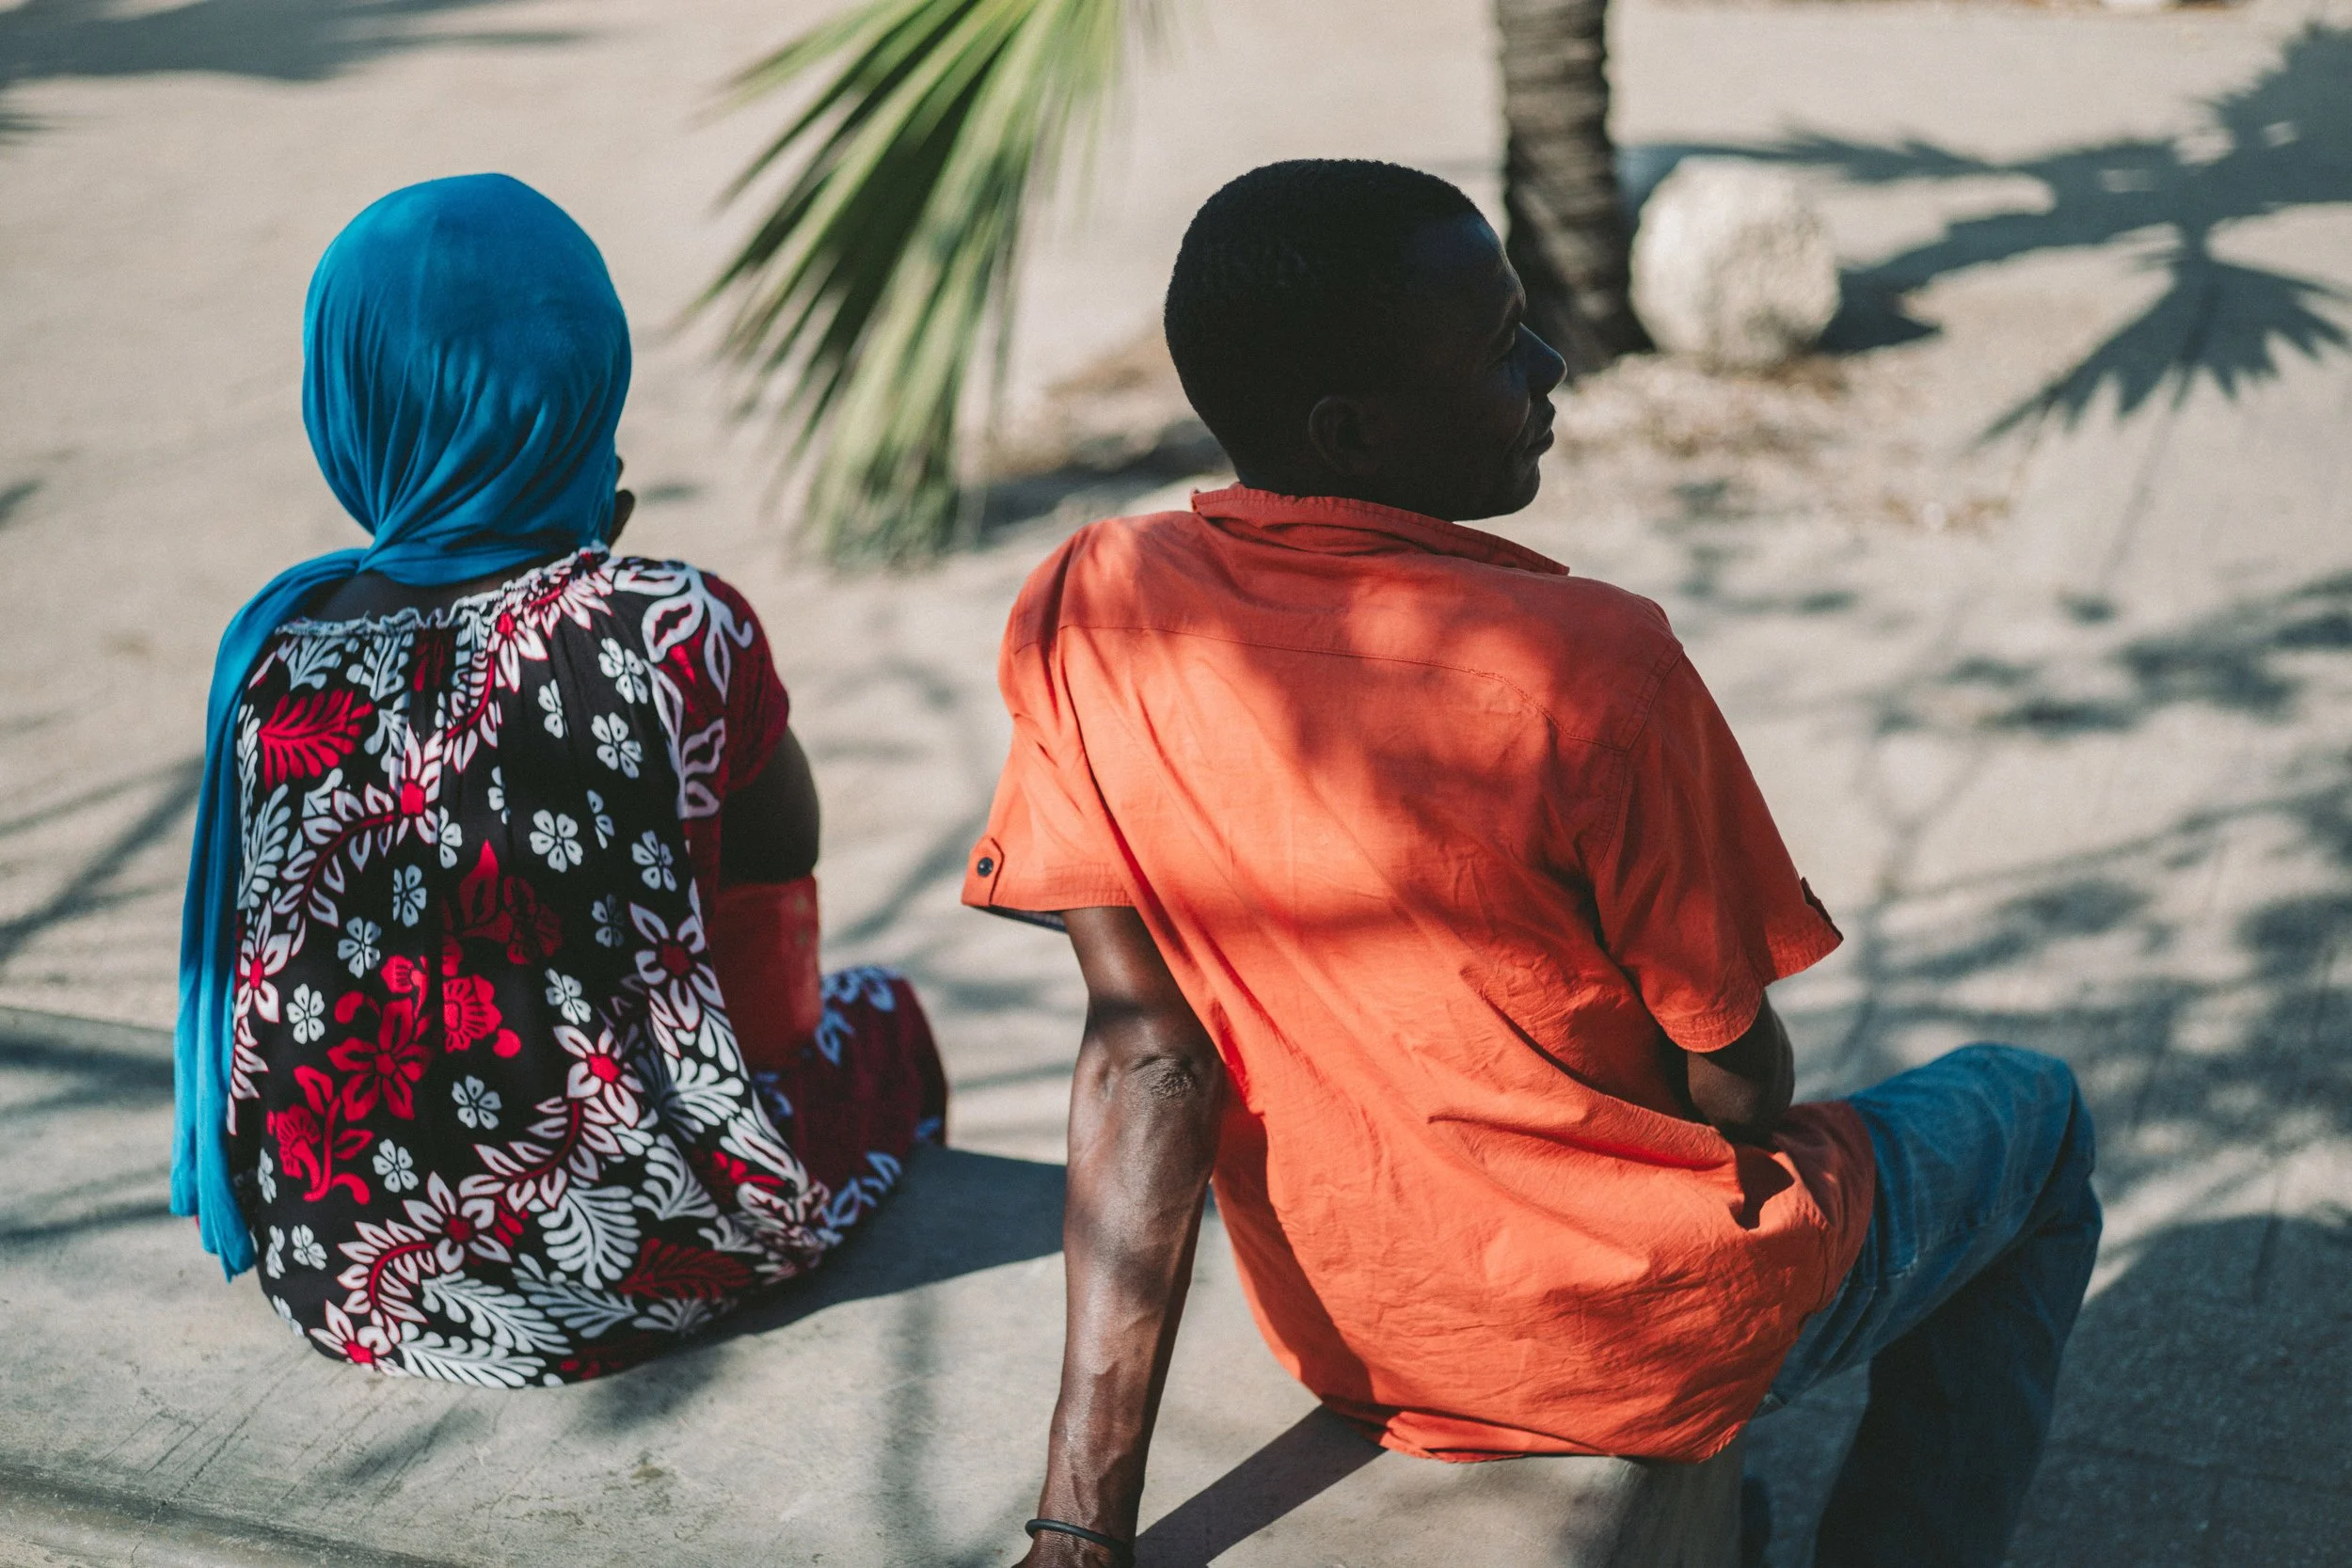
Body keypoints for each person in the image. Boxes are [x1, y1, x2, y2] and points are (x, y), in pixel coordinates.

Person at [964, 160, 2100, 1568]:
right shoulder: (1591, 667)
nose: (1551, 365)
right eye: (1505, 343)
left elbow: (1145, 1055)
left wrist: (1079, 1532)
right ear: (1354, 433)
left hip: (1351, 1324)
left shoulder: (1089, 612)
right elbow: (1744, 1083)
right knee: (2037, 1115)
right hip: (1622, 1331)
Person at [171, 174, 946, 1386]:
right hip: (642, 1260)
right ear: (592, 376)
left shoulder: (276, 649)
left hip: (338, 1268)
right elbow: (780, 857)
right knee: (884, 1021)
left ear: (349, 396)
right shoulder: (670, 621)